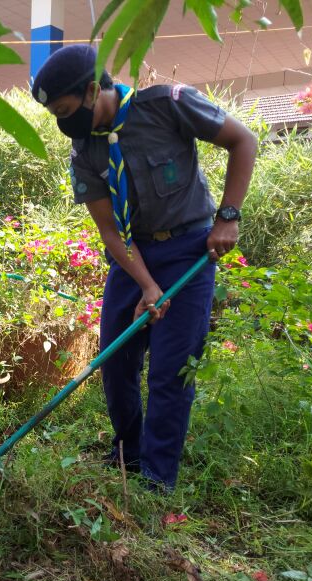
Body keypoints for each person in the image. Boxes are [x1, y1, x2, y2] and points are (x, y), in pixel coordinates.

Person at [31, 44, 257, 491]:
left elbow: (243, 141)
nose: (64, 123)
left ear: (94, 89)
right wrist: (147, 287)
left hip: (191, 250)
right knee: (114, 360)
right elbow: (112, 233)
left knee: (172, 369)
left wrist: (227, 217)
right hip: (134, 258)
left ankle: (156, 479)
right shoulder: (84, 152)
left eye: (66, 110)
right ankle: (127, 453)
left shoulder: (168, 104)